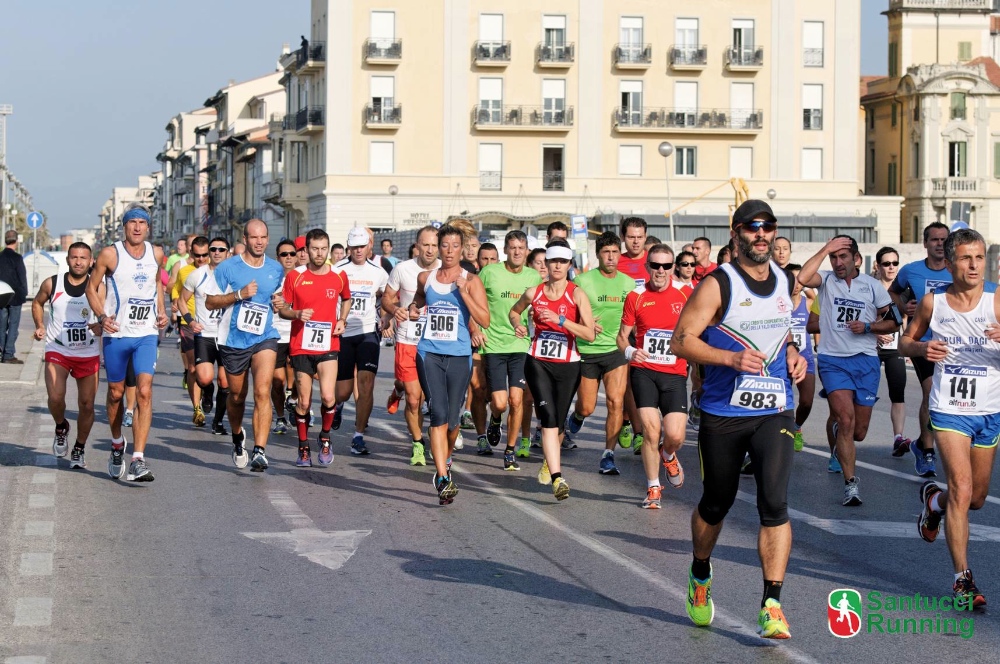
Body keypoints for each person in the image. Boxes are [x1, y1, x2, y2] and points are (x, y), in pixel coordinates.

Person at [670, 199, 807, 639]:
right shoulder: (718, 285)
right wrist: (729, 357)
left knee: (774, 502)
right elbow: (681, 341)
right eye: (752, 228)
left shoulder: (786, 281)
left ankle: (772, 603)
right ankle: (700, 572)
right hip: (723, 413)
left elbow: (781, 329)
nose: (761, 235)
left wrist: (791, 353)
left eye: (767, 227)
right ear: (737, 233)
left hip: (774, 408)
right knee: (717, 502)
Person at [901, 228, 998, 611]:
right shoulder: (932, 302)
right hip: (949, 408)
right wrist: (922, 347)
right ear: (951, 261)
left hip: (990, 410)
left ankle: (933, 503)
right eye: (966, 258)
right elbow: (905, 341)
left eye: (979, 258)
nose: (974, 265)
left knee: (975, 498)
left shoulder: (997, 299)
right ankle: (962, 580)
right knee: (961, 487)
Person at [798, 235, 898, 506]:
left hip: (865, 361)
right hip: (833, 361)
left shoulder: (872, 286)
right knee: (845, 419)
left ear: (856, 259)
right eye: (834, 257)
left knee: (859, 431)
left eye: (843, 257)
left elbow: (893, 323)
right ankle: (851, 483)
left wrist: (868, 327)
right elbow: (804, 278)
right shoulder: (827, 281)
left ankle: (841, 440)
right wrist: (825, 248)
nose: (838, 262)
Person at [86, 205, 168, 482]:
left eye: (141, 223)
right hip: (117, 334)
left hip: (145, 333)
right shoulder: (110, 254)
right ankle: (117, 443)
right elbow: (90, 287)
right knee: (115, 394)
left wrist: (161, 310)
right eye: (131, 223)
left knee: (144, 392)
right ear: (124, 226)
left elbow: (158, 282)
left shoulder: (157, 253)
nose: (136, 227)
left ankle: (138, 459)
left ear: (148, 227)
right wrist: (101, 315)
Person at [409, 225, 490, 504]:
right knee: (438, 413)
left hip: (459, 355)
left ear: (463, 248)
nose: (450, 251)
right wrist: (412, 308)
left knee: (454, 419)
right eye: (445, 245)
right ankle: (442, 477)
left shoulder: (472, 280)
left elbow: (485, 320)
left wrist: (465, 293)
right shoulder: (426, 277)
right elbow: (419, 299)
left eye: (456, 246)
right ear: (438, 247)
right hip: (428, 353)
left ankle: (447, 456)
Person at [510, 239, 595, 501]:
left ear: (570, 264)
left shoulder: (577, 294)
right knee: (547, 416)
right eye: (553, 260)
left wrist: (562, 320)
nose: (557, 265)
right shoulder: (533, 292)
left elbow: (589, 334)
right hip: (538, 361)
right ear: (545, 263)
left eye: (562, 261)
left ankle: (550, 461)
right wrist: (518, 324)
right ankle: (559, 479)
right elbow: (514, 312)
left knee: (557, 420)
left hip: (568, 364)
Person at [206, 219, 286, 472]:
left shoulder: (275, 269)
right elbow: (210, 302)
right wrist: (239, 295)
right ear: (245, 239)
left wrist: (280, 305)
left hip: (265, 337)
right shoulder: (227, 268)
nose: (260, 242)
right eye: (254, 237)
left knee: (263, 391)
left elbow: (279, 300)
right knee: (237, 396)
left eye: (263, 237)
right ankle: (238, 436)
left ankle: (260, 450)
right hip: (233, 340)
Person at [617, 244, 689, 508]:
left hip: (674, 374)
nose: (661, 271)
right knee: (651, 430)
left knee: (675, 435)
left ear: (673, 268)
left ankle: (668, 454)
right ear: (647, 266)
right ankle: (653, 488)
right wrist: (630, 353)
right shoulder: (635, 296)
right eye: (655, 265)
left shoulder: (685, 293)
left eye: (666, 266)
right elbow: (622, 337)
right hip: (644, 372)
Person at [281, 229, 352, 467]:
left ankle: (324, 437)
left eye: (323, 249)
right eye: (314, 249)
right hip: (301, 345)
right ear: (307, 250)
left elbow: (346, 298)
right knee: (303, 403)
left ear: (328, 249)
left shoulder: (339, 275)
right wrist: (297, 313)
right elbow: (283, 309)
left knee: (329, 396)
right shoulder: (295, 277)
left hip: (328, 344)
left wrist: (342, 320)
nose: (319, 254)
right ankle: (303, 447)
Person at [566, 231, 634, 475]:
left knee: (616, 402)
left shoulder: (627, 283)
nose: (611, 257)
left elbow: (633, 316)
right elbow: (570, 312)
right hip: (588, 350)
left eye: (615, 252)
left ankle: (608, 455)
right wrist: (585, 324)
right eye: (606, 252)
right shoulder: (583, 281)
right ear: (598, 255)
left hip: (615, 350)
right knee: (587, 407)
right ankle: (576, 419)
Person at [889, 222, 951, 477]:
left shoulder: (955, 270)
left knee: (943, 399)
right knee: (930, 392)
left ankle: (920, 444)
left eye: (943, 240)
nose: (939, 244)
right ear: (925, 243)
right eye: (934, 239)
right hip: (921, 342)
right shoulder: (910, 271)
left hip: (950, 344)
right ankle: (927, 451)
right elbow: (893, 293)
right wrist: (904, 308)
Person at [33, 242, 102, 468]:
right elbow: (37, 302)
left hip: (88, 352)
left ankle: (79, 447)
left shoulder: (99, 286)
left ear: (91, 261)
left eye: (83, 257)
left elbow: (109, 314)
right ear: (68, 260)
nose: (79, 261)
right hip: (58, 348)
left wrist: (102, 325)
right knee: (55, 397)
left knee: (87, 404)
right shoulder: (52, 283)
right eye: (74, 257)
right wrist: (39, 325)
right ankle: (61, 426)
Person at [477, 230, 541, 468]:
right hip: (493, 344)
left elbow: (539, 306)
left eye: (521, 248)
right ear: (505, 250)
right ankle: (495, 418)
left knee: (517, 400)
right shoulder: (489, 273)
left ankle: (510, 450)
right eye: (512, 247)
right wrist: (476, 329)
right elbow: (474, 301)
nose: (516, 252)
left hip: (520, 345)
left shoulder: (534, 276)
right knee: (500, 403)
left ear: (526, 251)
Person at [384, 226, 440, 464]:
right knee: (414, 398)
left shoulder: (445, 270)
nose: (429, 250)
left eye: (434, 245)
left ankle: (397, 390)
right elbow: (387, 298)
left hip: (436, 342)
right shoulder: (402, 269)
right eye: (425, 244)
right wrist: (395, 310)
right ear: (417, 245)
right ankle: (418, 443)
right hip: (407, 340)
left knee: (433, 399)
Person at [332, 227, 389, 454]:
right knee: (344, 392)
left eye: (362, 246)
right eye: (354, 246)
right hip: (343, 334)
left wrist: (387, 317)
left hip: (368, 333)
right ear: (348, 247)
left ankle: (358, 435)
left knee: (366, 385)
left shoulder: (378, 271)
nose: (358, 250)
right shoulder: (337, 270)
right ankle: (337, 406)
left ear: (369, 247)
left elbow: (389, 296)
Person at [179, 236, 231, 435]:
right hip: (205, 334)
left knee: (225, 382)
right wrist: (191, 321)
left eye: (221, 249)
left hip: (227, 336)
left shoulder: (234, 276)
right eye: (213, 249)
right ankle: (207, 391)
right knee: (204, 378)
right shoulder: (197, 275)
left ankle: (218, 423)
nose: (217, 252)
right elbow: (182, 301)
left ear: (228, 252)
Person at [616, 216, 651, 451]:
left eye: (639, 237)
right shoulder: (616, 262)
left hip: (650, 332)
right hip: (626, 331)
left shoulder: (655, 261)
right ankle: (638, 431)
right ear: (623, 238)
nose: (635, 242)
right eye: (631, 237)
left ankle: (631, 421)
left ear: (645, 237)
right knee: (629, 383)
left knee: (648, 384)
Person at [874, 246, 910, 455]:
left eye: (895, 263)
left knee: (898, 394)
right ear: (878, 266)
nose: (891, 267)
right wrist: (875, 333)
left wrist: (906, 343)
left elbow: (905, 320)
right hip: (871, 348)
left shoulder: (903, 292)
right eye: (887, 263)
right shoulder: (870, 287)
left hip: (895, 348)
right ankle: (846, 437)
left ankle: (898, 438)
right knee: (864, 396)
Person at [172, 236, 208, 426]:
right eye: (197, 255)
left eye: (205, 255)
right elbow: (177, 292)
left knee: (209, 371)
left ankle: (207, 391)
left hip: (211, 325)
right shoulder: (185, 271)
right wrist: (175, 306)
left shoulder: (217, 271)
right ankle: (197, 409)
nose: (201, 259)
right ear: (191, 253)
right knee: (193, 367)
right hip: (189, 323)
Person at [785, 264, 816, 452]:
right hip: (785, 359)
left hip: (805, 358)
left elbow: (815, 296)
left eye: (799, 280)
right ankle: (784, 432)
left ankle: (796, 427)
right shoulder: (779, 304)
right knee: (785, 401)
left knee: (806, 401)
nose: (796, 284)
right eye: (792, 279)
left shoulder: (808, 303)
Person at [270, 240, 298, 435]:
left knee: (301, 378)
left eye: (291, 254)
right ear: (278, 257)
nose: (288, 257)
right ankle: (280, 417)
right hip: (276, 334)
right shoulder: (271, 278)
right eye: (284, 254)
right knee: (277, 380)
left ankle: (294, 399)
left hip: (299, 333)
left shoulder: (304, 277)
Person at [0, 230, 28, 363]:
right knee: (13, 326)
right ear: (16, 241)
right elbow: (22, 277)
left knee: (1, 325)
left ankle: (1, 352)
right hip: (15, 296)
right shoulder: (17, 258)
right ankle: (9, 354)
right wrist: (24, 293)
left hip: (1, 295)